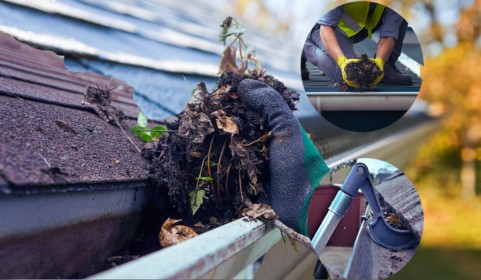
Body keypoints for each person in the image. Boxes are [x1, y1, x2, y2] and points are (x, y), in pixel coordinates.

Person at [302, 2, 413, 89]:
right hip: (324, 27)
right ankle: (304, 45)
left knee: (402, 13)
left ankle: (387, 68)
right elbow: (326, 27)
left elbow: (389, 33)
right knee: (350, 77)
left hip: (356, 29)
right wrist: (342, 61)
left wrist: (380, 63)